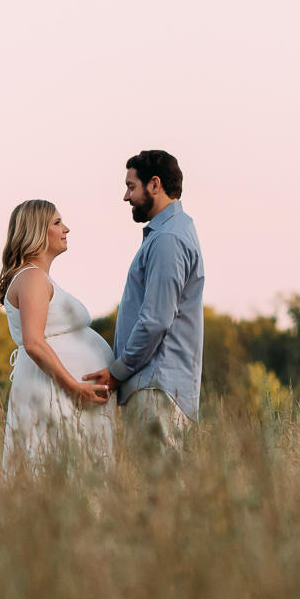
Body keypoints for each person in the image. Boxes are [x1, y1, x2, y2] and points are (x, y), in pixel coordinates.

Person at [84, 150, 205, 455]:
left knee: (161, 490)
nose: (127, 196)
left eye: (131, 186)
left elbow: (155, 320)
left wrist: (118, 370)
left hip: (156, 386)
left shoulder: (168, 239)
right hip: (160, 385)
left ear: (155, 184)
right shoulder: (172, 233)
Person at [0, 199, 116, 472]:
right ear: (37, 231)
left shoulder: (37, 277)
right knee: (54, 467)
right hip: (53, 391)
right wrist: (74, 388)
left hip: (57, 391)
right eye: (57, 223)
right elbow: (34, 342)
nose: (66, 228)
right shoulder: (32, 278)